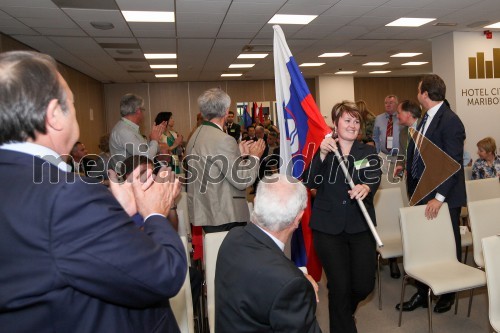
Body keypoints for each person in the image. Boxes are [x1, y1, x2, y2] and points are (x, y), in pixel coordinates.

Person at [0, 51, 186, 332]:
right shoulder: (66, 195)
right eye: (72, 103)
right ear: (54, 116)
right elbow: (164, 274)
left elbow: (61, 251)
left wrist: (117, 213)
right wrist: (156, 214)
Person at [305, 101, 381, 333]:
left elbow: (373, 176)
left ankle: (344, 314)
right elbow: (309, 181)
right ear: (335, 124)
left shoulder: (367, 151)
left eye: (356, 121)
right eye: (347, 120)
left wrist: (367, 187)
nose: (353, 125)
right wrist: (321, 154)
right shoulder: (325, 150)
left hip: (360, 225)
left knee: (363, 284)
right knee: (338, 287)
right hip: (328, 229)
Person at [215, 174, 321, 333]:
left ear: (256, 202)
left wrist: (296, 278)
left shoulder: (233, 237)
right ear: (297, 219)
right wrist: (307, 294)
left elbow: (261, 277)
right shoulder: (291, 284)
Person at [397, 74, 466, 314]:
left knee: (447, 244)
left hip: (442, 198)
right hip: (421, 192)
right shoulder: (427, 117)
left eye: (419, 91)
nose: (417, 95)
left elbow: (453, 163)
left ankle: (448, 294)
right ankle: (423, 291)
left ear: (425, 94)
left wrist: (439, 198)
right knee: (425, 245)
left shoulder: (450, 121)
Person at [185, 88, 265, 233]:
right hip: (225, 214)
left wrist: (237, 154)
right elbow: (242, 180)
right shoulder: (223, 139)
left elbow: (213, 167)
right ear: (226, 111)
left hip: (206, 210)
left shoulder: (196, 134)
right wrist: (254, 157)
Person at [109, 93, 165, 171]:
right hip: (129, 180)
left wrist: (154, 140)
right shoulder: (124, 131)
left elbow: (143, 150)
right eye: (143, 110)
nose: (143, 114)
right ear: (138, 111)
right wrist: (154, 140)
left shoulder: (129, 128)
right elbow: (146, 158)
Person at [394, 100, 422, 177]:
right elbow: (401, 154)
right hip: (410, 177)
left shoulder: (426, 127)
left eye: (399, 113)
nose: (397, 116)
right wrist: (400, 165)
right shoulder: (403, 132)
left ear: (408, 114)